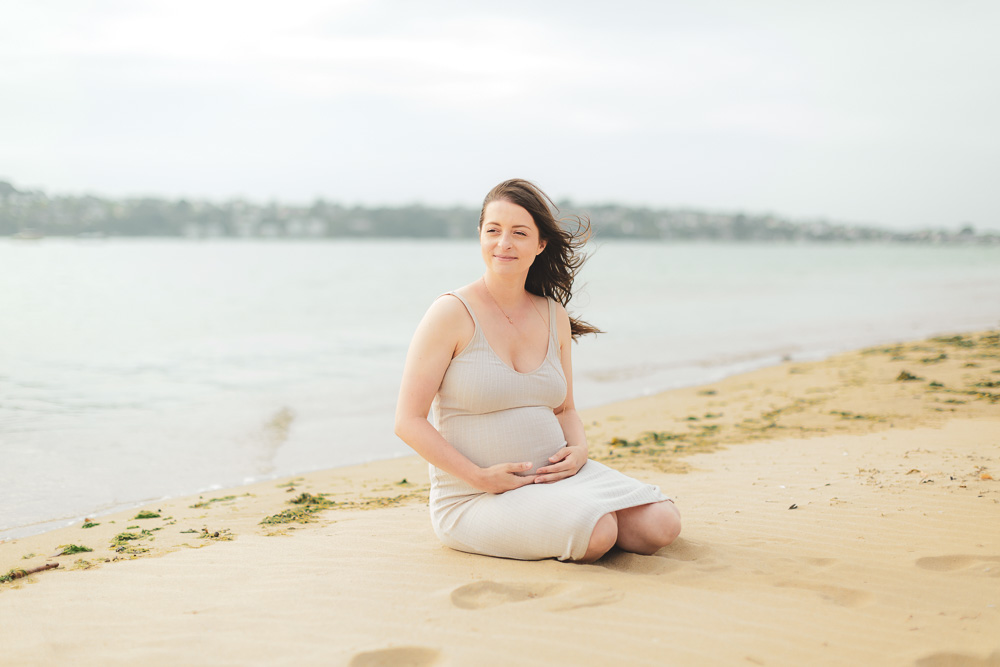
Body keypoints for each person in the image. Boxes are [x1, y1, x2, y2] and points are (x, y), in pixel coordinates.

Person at [394, 178, 680, 562]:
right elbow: (408, 421)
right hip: (476, 497)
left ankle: (577, 511)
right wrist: (480, 477)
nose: (504, 243)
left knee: (662, 524)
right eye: (493, 230)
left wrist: (579, 451)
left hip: (561, 479)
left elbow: (565, 410)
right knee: (599, 532)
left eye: (519, 233)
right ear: (479, 235)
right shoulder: (450, 313)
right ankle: (578, 520)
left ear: (540, 244)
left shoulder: (552, 315)